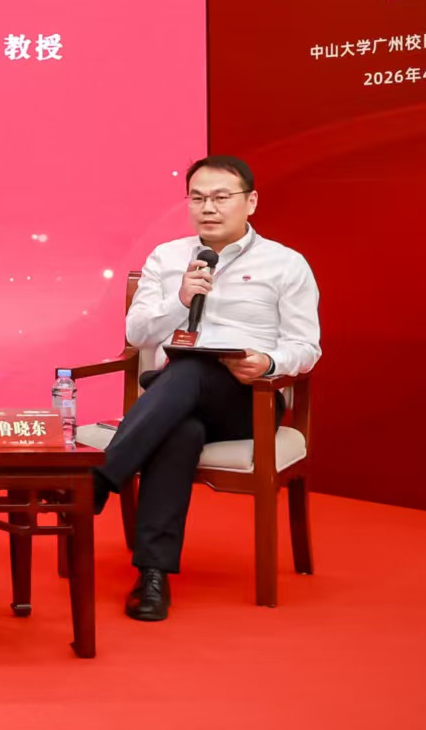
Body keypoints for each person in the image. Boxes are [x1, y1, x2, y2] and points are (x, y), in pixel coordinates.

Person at [94, 156, 320, 622]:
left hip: (247, 399)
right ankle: (153, 576)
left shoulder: (286, 264)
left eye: (220, 197)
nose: (208, 208)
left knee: (191, 367)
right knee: (181, 428)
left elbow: (306, 347)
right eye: (197, 198)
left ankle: (98, 479)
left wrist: (269, 363)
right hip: (174, 400)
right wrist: (180, 300)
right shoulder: (167, 257)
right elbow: (137, 335)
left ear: (250, 202)